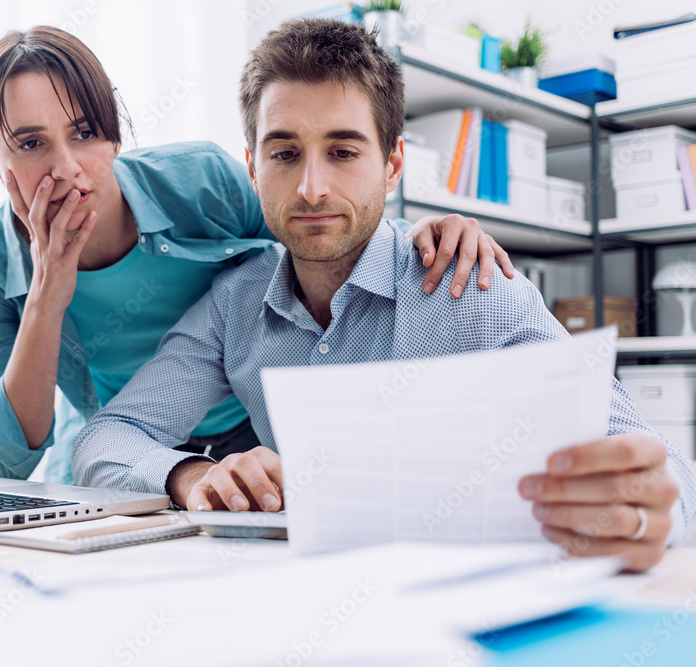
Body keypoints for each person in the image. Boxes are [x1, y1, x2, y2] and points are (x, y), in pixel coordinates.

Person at [72, 18, 696, 572]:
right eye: (285, 153)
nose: (312, 188)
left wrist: (644, 512)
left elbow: (667, 472)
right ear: (253, 166)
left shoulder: (470, 283)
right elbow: (105, 440)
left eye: (343, 151)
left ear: (394, 164)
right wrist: (192, 473)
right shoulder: (233, 304)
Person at [0, 26, 515, 484]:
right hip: (140, 452)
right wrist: (47, 295)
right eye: (30, 144)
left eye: (84, 133)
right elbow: (8, 460)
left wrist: (423, 232)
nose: (66, 168)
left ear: (115, 135)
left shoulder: (203, 184)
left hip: (256, 432)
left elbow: (317, 237)